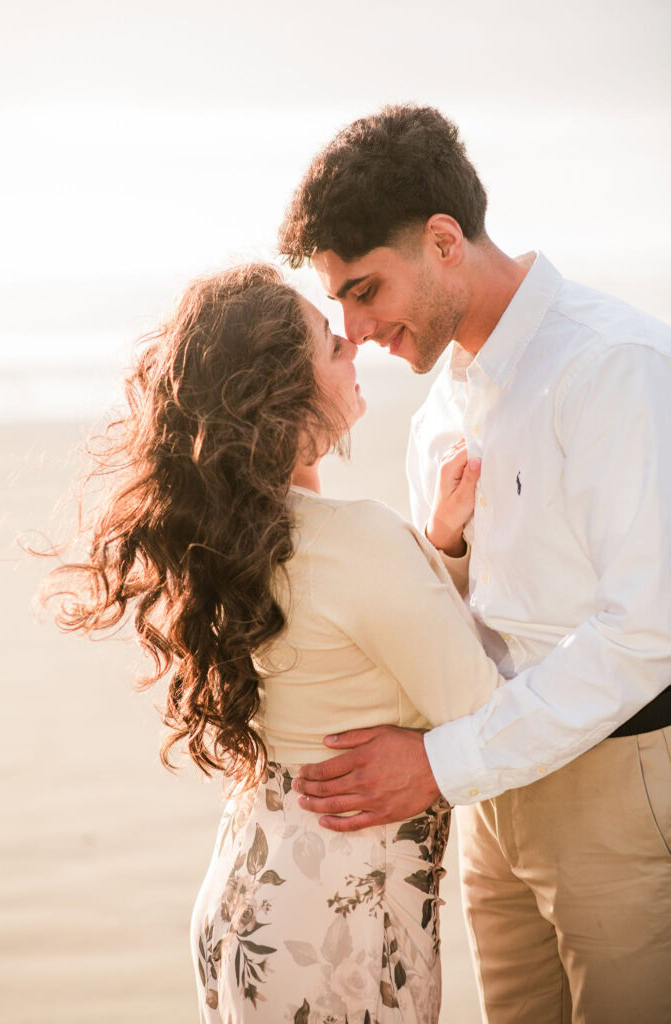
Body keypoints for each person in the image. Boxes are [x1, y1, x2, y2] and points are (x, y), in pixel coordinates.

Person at [279, 104, 671, 1024]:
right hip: (489, 795)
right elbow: (463, 612)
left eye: (366, 290)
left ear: (443, 241)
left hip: (614, 782)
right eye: (339, 303)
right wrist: (445, 555)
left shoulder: (615, 365)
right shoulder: (437, 413)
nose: (358, 328)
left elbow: (646, 630)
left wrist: (441, 766)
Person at [40, 262, 507, 1023]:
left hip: (247, 900)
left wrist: (437, 550)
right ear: (284, 397)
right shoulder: (357, 542)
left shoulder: (234, 537)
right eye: (330, 345)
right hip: (336, 928)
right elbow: (487, 715)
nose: (354, 346)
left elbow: (339, 630)